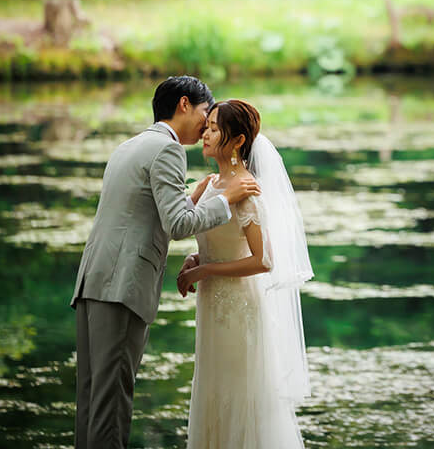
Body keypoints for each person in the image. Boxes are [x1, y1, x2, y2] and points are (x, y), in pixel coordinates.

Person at [71, 76, 260, 449]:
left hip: (94, 280)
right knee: (111, 406)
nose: (207, 126)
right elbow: (177, 225)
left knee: (91, 400)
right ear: (184, 104)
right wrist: (225, 199)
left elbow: (146, 214)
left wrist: (195, 198)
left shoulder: (132, 145)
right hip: (123, 286)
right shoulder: (168, 150)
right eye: (206, 115)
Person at [177, 99, 314, 449]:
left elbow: (263, 260)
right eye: (205, 126)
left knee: (238, 390)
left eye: (214, 128)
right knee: (212, 384)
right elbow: (197, 233)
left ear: (237, 140)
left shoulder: (247, 191)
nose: (205, 134)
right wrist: (196, 258)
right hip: (211, 304)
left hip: (238, 306)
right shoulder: (207, 185)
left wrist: (205, 270)